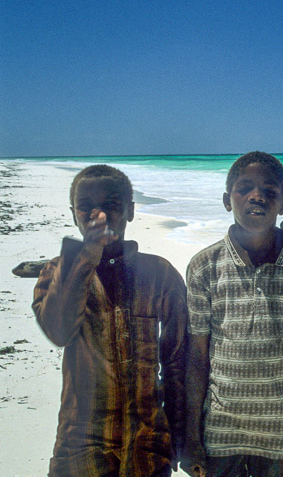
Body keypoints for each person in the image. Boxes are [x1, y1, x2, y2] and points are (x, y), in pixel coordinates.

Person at [32, 164, 188, 476]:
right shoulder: (57, 272)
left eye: (111, 205)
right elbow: (58, 331)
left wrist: (183, 436)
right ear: (73, 213)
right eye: (86, 207)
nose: (98, 216)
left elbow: (178, 362)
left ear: (130, 211)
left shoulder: (159, 273)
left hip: (147, 439)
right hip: (80, 440)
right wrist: (86, 255)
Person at [183, 152, 283, 477]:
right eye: (245, 188)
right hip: (219, 433)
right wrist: (190, 436)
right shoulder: (205, 266)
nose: (257, 196)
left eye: (269, 190)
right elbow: (197, 355)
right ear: (227, 200)